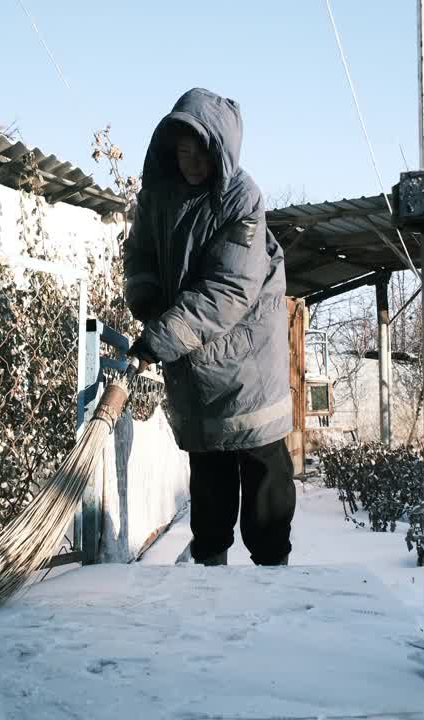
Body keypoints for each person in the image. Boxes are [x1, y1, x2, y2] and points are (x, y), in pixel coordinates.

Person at [124, 88, 295, 567]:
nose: (193, 161)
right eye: (183, 150)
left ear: (221, 149)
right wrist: (145, 296)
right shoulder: (158, 196)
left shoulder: (242, 200)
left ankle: (273, 579)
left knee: (263, 482)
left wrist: (160, 336)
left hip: (247, 364)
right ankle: (211, 586)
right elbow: (138, 252)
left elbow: (228, 290)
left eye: (202, 151)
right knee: (210, 477)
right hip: (194, 361)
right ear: (170, 150)